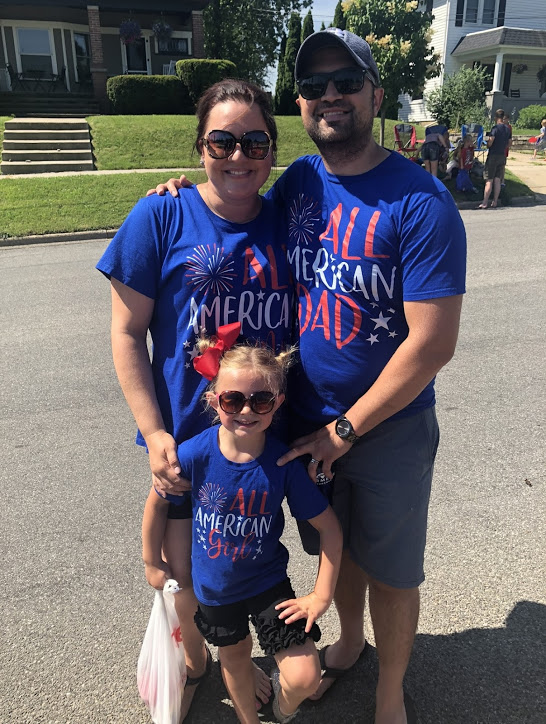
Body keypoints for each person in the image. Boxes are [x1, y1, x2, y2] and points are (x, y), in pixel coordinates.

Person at [150, 27, 467, 724]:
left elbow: (434, 342)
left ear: (375, 95)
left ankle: (390, 691)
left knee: (391, 568)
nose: (331, 95)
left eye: (346, 81)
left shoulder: (420, 202)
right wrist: (179, 193)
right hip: (299, 421)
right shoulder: (296, 183)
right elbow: (229, 201)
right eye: (315, 85)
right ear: (300, 104)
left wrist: (348, 429)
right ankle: (350, 644)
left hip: (384, 427)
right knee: (335, 543)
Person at [96, 78, 298, 719]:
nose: (239, 156)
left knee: (242, 557)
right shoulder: (160, 214)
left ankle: (229, 651)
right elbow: (127, 334)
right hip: (186, 439)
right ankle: (197, 659)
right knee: (185, 570)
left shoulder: (289, 221)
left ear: (271, 148)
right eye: (222, 141)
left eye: (254, 141)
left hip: (259, 436)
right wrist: (155, 434)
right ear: (200, 147)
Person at [142, 334, 343, 724]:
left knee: (305, 675)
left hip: (267, 584)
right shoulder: (194, 453)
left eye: (261, 400)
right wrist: (151, 560)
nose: (247, 410)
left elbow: (330, 530)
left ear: (278, 403)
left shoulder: (282, 463)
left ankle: (283, 711)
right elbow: (157, 503)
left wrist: (322, 595)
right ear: (214, 400)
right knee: (233, 659)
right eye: (233, 400)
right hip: (215, 591)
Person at [479, 108, 512, 208]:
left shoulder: (495, 128)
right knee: (498, 179)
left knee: (489, 179)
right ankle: (495, 201)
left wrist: (488, 144)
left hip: (493, 155)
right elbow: (509, 143)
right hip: (502, 155)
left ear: (496, 117)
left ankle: (485, 202)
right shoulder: (507, 129)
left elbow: (491, 140)